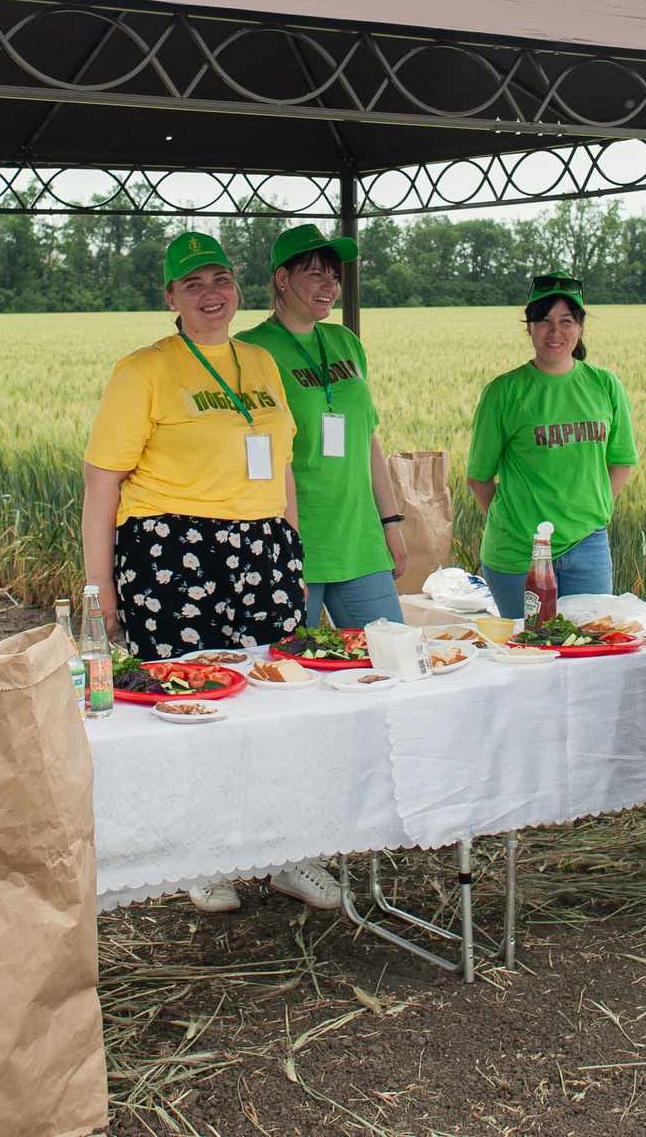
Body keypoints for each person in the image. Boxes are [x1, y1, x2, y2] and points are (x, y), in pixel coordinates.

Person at [82, 232, 340, 915]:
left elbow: (281, 464)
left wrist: (290, 550)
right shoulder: (144, 371)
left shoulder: (260, 362)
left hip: (263, 552)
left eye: (220, 279)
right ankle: (201, 854)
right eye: (192, 284)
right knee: (189, 706)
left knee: (278, 701)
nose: (210, 294)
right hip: (172, 556)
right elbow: (102, 482)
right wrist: (99, 590)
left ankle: (289, 853)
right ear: (170, 296)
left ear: (237, 288)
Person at [239, 224, 410, 629]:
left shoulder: (345, 341)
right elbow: (253, 453)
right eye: (316, 274)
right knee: (294, 662)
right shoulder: (250, 349)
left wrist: (390, 522)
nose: (330, 286)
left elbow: (368, 438)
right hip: (293, 539)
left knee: (390, 654)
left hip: (359, 539)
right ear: (282, 279)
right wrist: (280, 545)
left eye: (335, 276)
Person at [465, 275, 638, 619]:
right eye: (543, 320)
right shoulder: (504, 392)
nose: (554, 331)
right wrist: (515, 524)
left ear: (581, 327)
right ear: (528, 327)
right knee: (531, 646)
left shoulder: (605, 385)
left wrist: (593, 511)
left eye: (566, 321)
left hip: (588, 547)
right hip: (518, 553)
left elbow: (621, 462)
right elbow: (478, 477)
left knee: (590, 643)